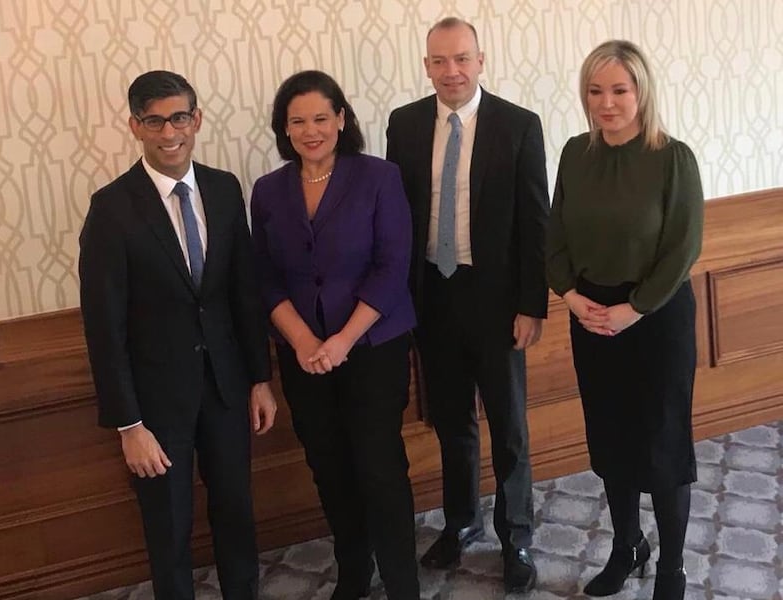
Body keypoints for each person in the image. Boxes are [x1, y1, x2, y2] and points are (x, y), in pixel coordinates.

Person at [79, 70, 276, 600]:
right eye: (154, 121)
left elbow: (244, 295)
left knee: (237, 512)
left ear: (197, 119)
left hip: (228, 390)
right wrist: (128, 425)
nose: (170, 132)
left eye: (179, 117)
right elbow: (104, 325)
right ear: (135, 126)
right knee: (168, 529)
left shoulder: (224, 188)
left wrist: (259, 379)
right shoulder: (112, 208)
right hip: (156, 406)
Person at [386, 17, 550, 594]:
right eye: (438, 61)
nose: (450, 71)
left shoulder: (518, 126)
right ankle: (461, 521)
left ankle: (517, 536)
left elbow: (536, 222)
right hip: (432, 294)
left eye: (461, 58)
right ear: (426, 65)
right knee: (452, 421)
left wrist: (533, 305)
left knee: (508, 427)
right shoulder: (404, 125)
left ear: (481, 60)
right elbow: (397, 219)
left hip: (497, 300)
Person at [250, 70, 419, 600]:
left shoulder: (379, 177)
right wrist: (302, 341)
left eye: (321, 117)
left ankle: (401, 579)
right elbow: (265, 276)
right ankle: (353, 567)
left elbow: (393, 266)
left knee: (379, 466)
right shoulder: (268, 190)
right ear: (284, 129)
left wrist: (343, 339)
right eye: (296, 121)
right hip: (304, 356)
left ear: (342, 119)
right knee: (327, 464)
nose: (310, 130)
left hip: (372, 347)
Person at [546, 40, 704, 600]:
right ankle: (627, 546)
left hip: (655, 318)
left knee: (662, 444)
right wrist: (568, 294)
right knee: (611, 440)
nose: (606, 103)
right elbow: (555, 235)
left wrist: (634, 309)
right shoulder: (573, 153)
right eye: (595, 91)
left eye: (619, 90)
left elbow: (683, 247)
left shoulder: (672, 157)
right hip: (590, 316)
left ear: (641, 91)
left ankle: (672, 569)